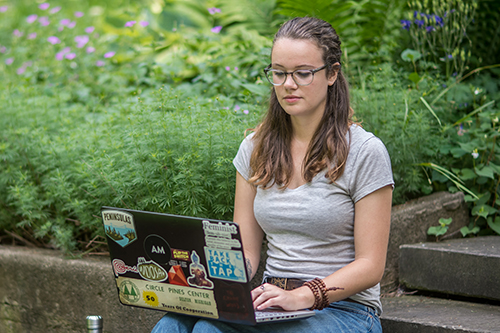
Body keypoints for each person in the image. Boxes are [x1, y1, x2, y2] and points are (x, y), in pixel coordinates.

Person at [152, 16, 394, 333]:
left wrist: (303, 296)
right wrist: (206, 284)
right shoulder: (254, 148)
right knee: (175, 326)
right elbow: (246, 252)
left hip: (344, 310)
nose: (289, 84)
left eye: (303, 74)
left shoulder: (365, 152)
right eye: (278, 73)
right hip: (269, 302)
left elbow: (370, 266)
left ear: (332, 73)